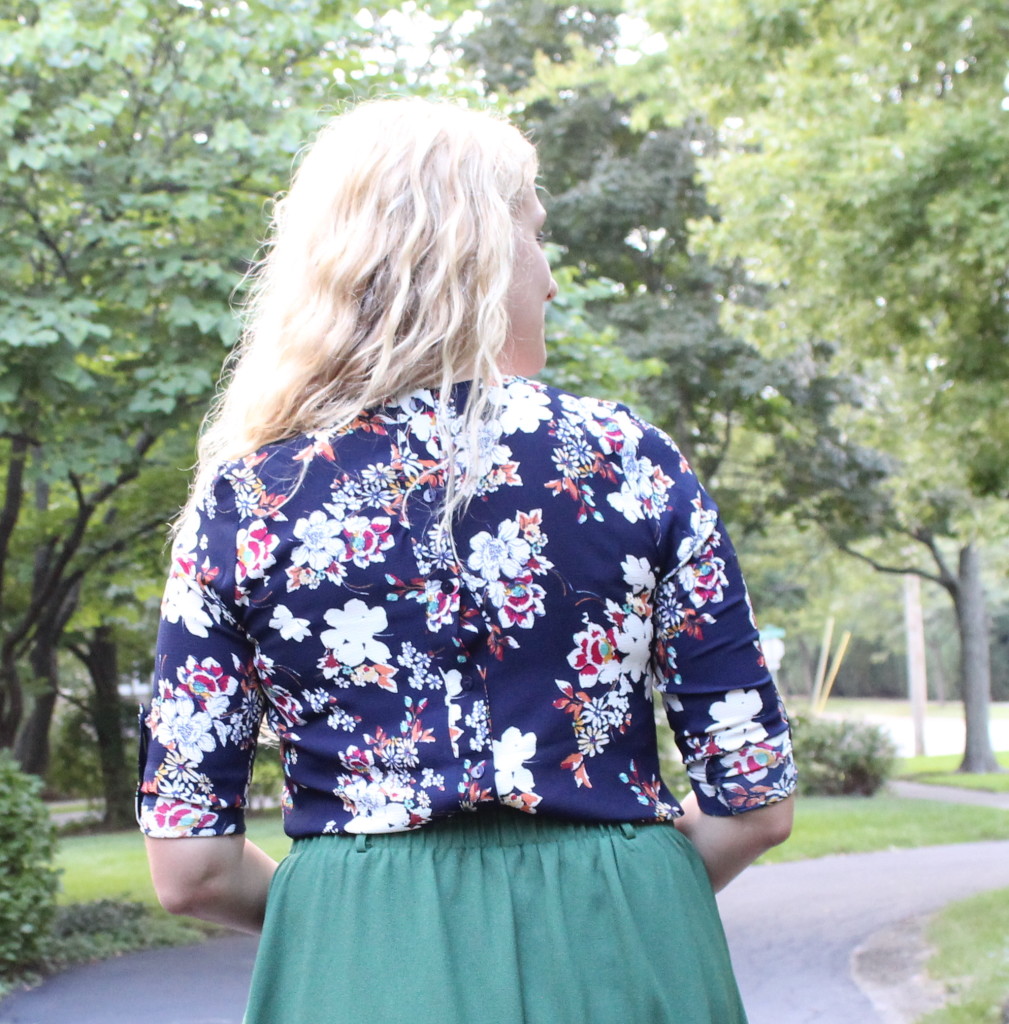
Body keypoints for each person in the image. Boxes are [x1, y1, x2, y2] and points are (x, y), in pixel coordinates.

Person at [140, 97, 796, 1024]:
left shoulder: (247, 501)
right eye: (536, 237)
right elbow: (753, 802)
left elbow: (191, 869)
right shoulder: (627, 462)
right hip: (627, 948)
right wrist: (627, 892)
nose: (552, 284)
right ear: (477, 258)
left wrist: (345, 914)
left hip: (358, 965)